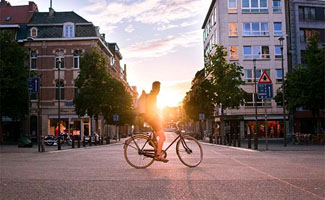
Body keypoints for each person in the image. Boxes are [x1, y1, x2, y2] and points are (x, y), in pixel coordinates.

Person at [143, 81, 168, 163]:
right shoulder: (153, 96)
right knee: (162, 137)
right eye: (158, 88)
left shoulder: (152, 95)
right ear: (156, 88)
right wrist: (159, 118)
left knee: (161, 132)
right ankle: (158, 155)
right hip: (152, 119)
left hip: (151, 118)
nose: (159, 90)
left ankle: (152, 140)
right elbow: (152, 110)